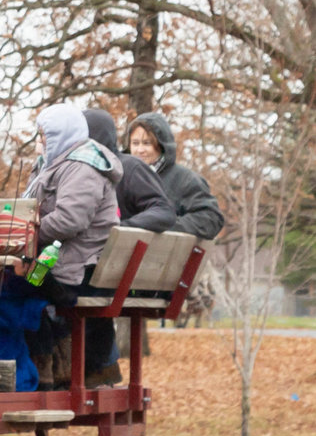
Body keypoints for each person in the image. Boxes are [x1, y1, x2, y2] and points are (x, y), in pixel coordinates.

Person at [20, 105, 123, 388]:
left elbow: (69, 220)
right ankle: (45, 360)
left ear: (59, 134)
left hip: (75, 271)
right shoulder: (52, 165)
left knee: (9, 286)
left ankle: (43, 362)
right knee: (6, 283)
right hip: (58, 263)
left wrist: (24, 234)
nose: (40, 141)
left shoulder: (82, 167)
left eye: (44, 135)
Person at [124, 112, 225, 240]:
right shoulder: (120, 177)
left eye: (147, 143)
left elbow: (210, 219)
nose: (140, 150)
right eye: (135, 143)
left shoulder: (186, 180)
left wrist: (163, 226)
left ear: (161, 145)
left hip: (167, 256)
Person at [84, 109, 174, 232]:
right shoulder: (75, 170)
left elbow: (162, 210)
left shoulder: (130, 167)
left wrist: (120, 228)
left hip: (121, 246)